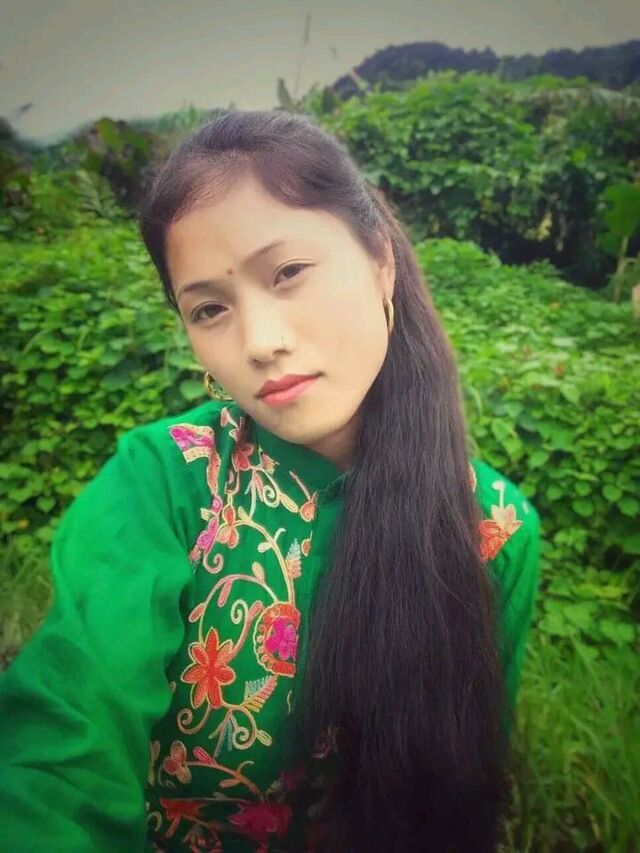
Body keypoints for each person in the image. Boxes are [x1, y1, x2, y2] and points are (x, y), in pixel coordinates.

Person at [0, 109, 541, 853]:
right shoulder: (164, 483)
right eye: (209, 309)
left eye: (288, 273)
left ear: (380, 261)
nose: (260, 342)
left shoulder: (493, 527)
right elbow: (63, 751)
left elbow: (462, 796)